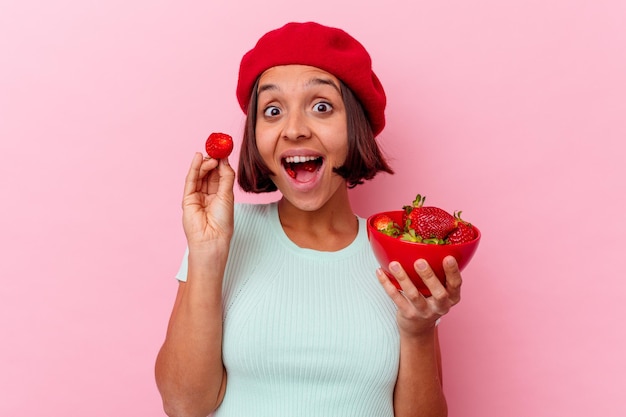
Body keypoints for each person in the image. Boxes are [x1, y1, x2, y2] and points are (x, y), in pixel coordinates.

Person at [155, 21, 462, 417]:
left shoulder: (399, 250)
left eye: (321, 107)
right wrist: (208, 255)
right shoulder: (223, 234)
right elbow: (183, 406)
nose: (295, 130)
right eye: (272, 110)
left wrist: (419, 331)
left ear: (356, 128)